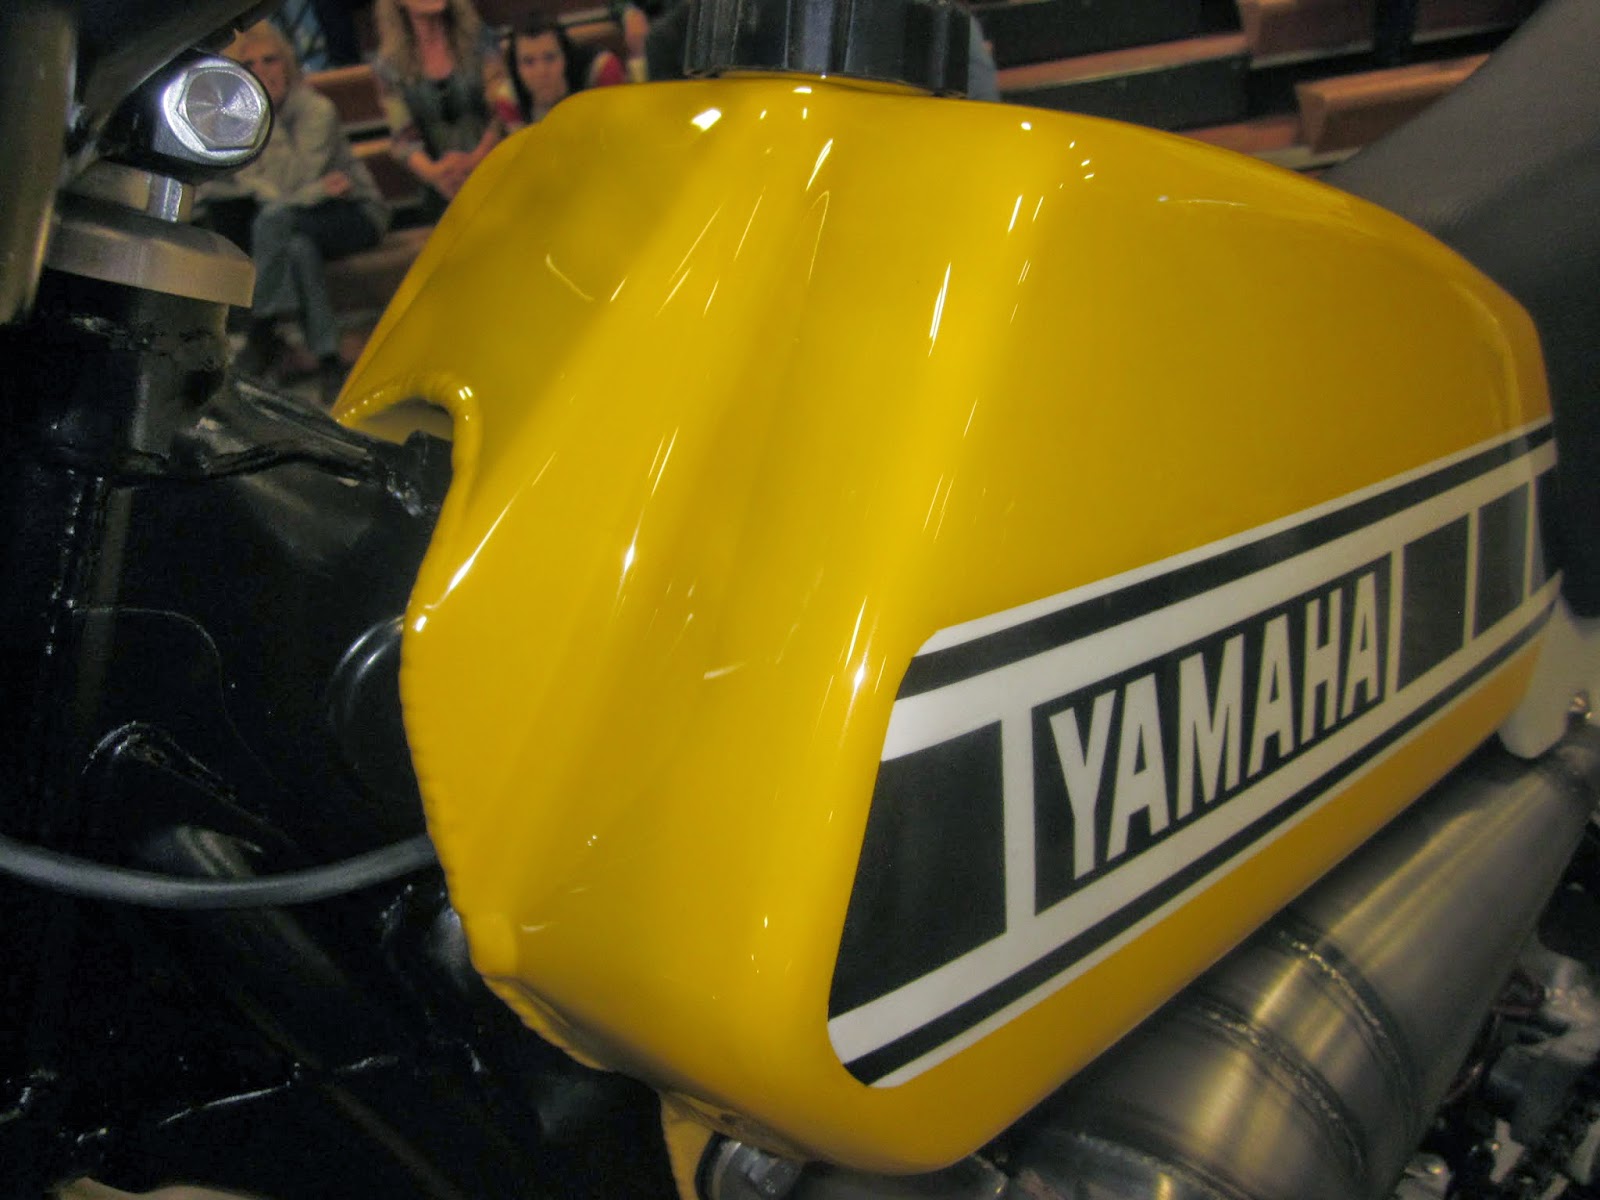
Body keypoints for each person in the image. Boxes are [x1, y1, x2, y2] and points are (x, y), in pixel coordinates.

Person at [206, 21, 390, 398]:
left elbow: (290, 181)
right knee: (296, 248)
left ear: (288, 63)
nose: (263, 71)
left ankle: (261, 328)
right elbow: (257, 186)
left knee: (273, 219)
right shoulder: (243, 122)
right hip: (301, 220)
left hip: (355, 212)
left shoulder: (317, 110)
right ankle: (329, 360)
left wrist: (270, 125)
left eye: (271, 60)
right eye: (251, 65)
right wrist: (315, 189)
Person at [374, 0, 501, 218]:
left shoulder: (480, 40)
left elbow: (501, 112)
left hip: (495, 168)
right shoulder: (388, 65)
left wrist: (475, 160)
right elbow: (404, 137)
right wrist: (436, 174)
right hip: (440, 185)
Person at [494, 16, 627, 132]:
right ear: (516, 68)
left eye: (550, 57)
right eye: (528, 62)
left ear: (565, 57)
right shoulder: (510, 99)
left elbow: (618, 129)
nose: (541, 71)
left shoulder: (599, 69)